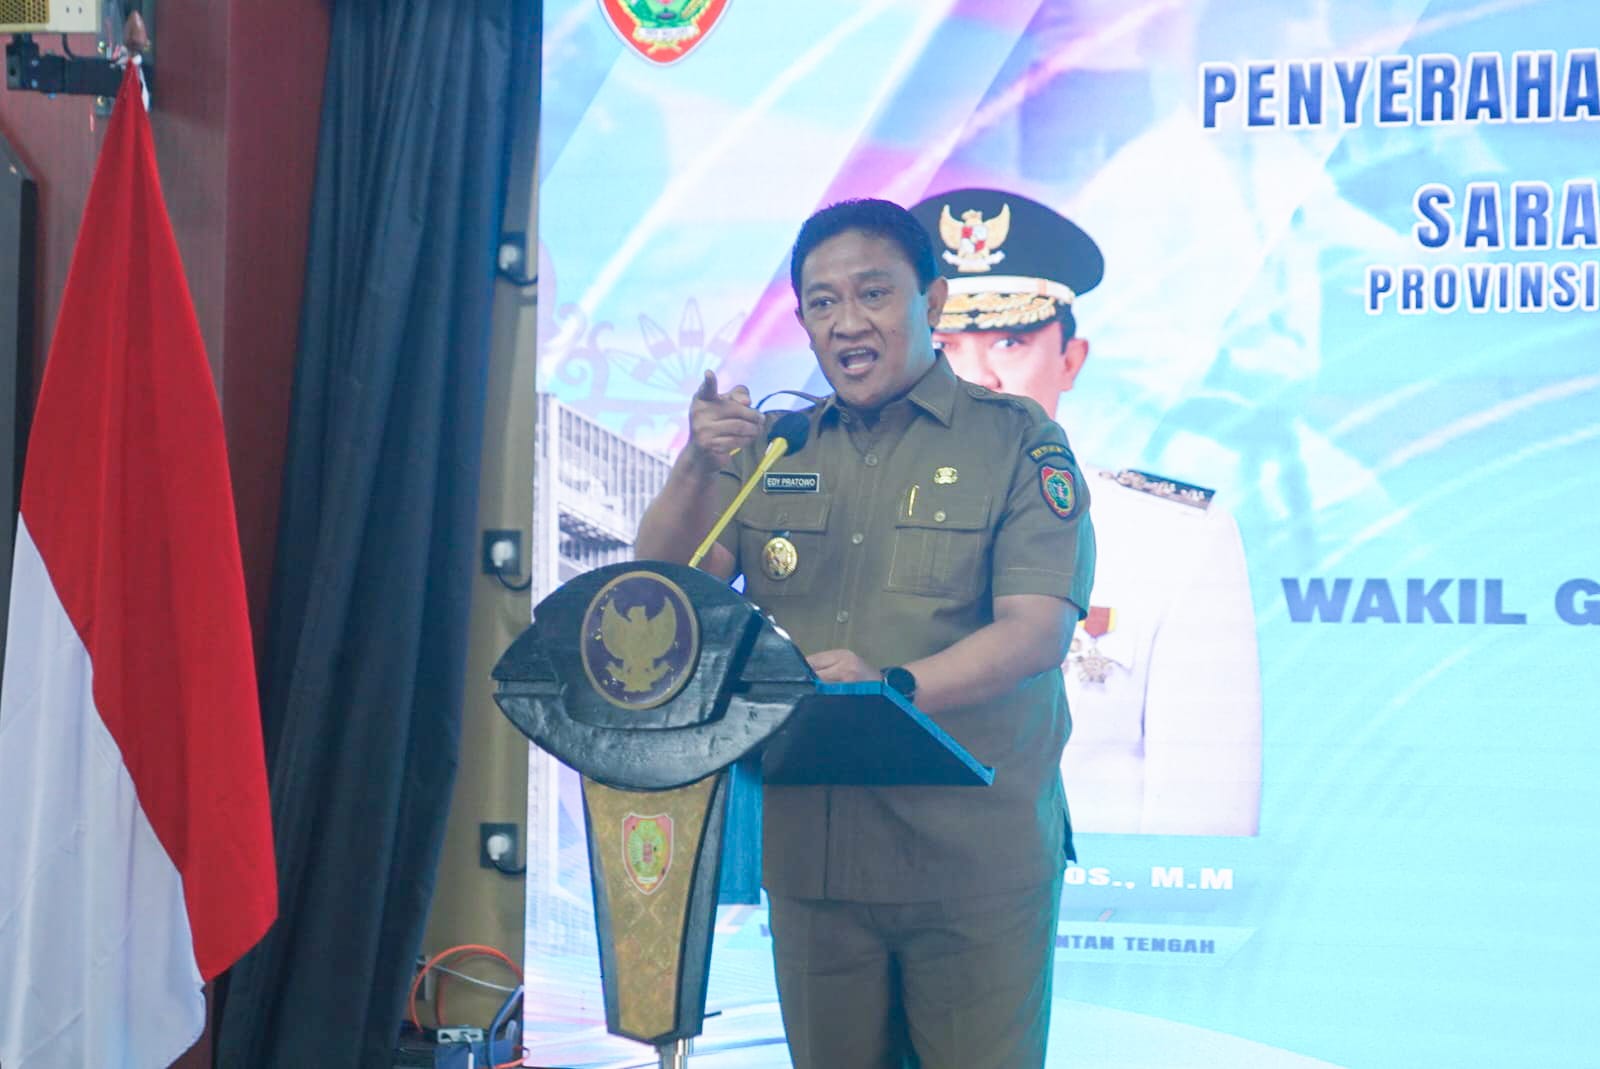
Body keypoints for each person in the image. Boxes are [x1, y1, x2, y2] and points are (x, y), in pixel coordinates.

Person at [636, 198, 1094, 1069]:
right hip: (818, 864)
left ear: (932, 302)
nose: (847, 321)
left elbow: (1036, 630)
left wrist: (887, 689)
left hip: (973, 864)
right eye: (823, 302)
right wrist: (697, 465)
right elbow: (659, 597)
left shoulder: (1017, 442)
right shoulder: (777, 448)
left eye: (873, 293)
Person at [910, 188, 1262, 837]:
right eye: (943, 346)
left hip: (1088, 900)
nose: (978, 377)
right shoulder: (848, 522)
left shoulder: (1175, 539)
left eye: (1010, 341)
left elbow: (1205, 824)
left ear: (1070, 361)